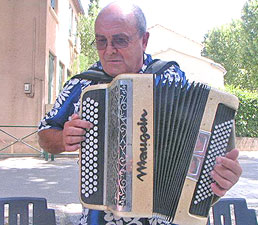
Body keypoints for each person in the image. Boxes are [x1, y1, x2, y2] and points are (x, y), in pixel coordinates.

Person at [38, 1, 242, 224]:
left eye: (120, 40)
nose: (109, 50)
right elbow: (44, 134)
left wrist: (220, 176)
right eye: (101, 41)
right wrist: (62, 138)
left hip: (162, 217)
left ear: (144, 40)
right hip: (101, 217)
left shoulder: (169, 77)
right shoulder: (82, 85)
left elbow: (196, 145)